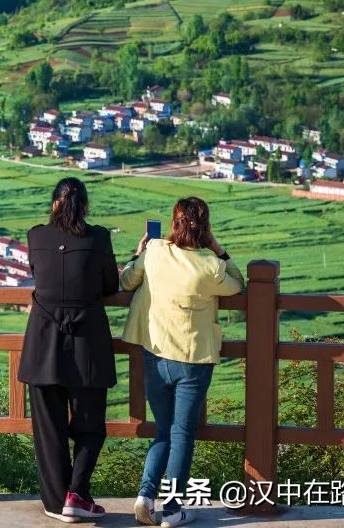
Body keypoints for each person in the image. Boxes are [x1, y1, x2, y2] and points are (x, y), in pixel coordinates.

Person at [121, 197, 244, 528]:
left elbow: (127, 280)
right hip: (192, 360)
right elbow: (239, 283)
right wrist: (217, 247)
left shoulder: (156, 252)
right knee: (182, 434)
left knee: (164, 430)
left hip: (155, 354)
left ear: (173, 223)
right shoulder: (210, 268)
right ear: (204, 230)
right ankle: (173, 510)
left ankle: (145, 496)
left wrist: (139, 252)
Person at [18, 177, 119, 523]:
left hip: (43, 342)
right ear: (86, 207)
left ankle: (55, 501)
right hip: (87, 342)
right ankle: (77, 494)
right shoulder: (99, 238)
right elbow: (110, 286)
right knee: (91, 425)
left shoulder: (36, 236)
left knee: (49, 427)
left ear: (54, 205)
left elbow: (39, 273)